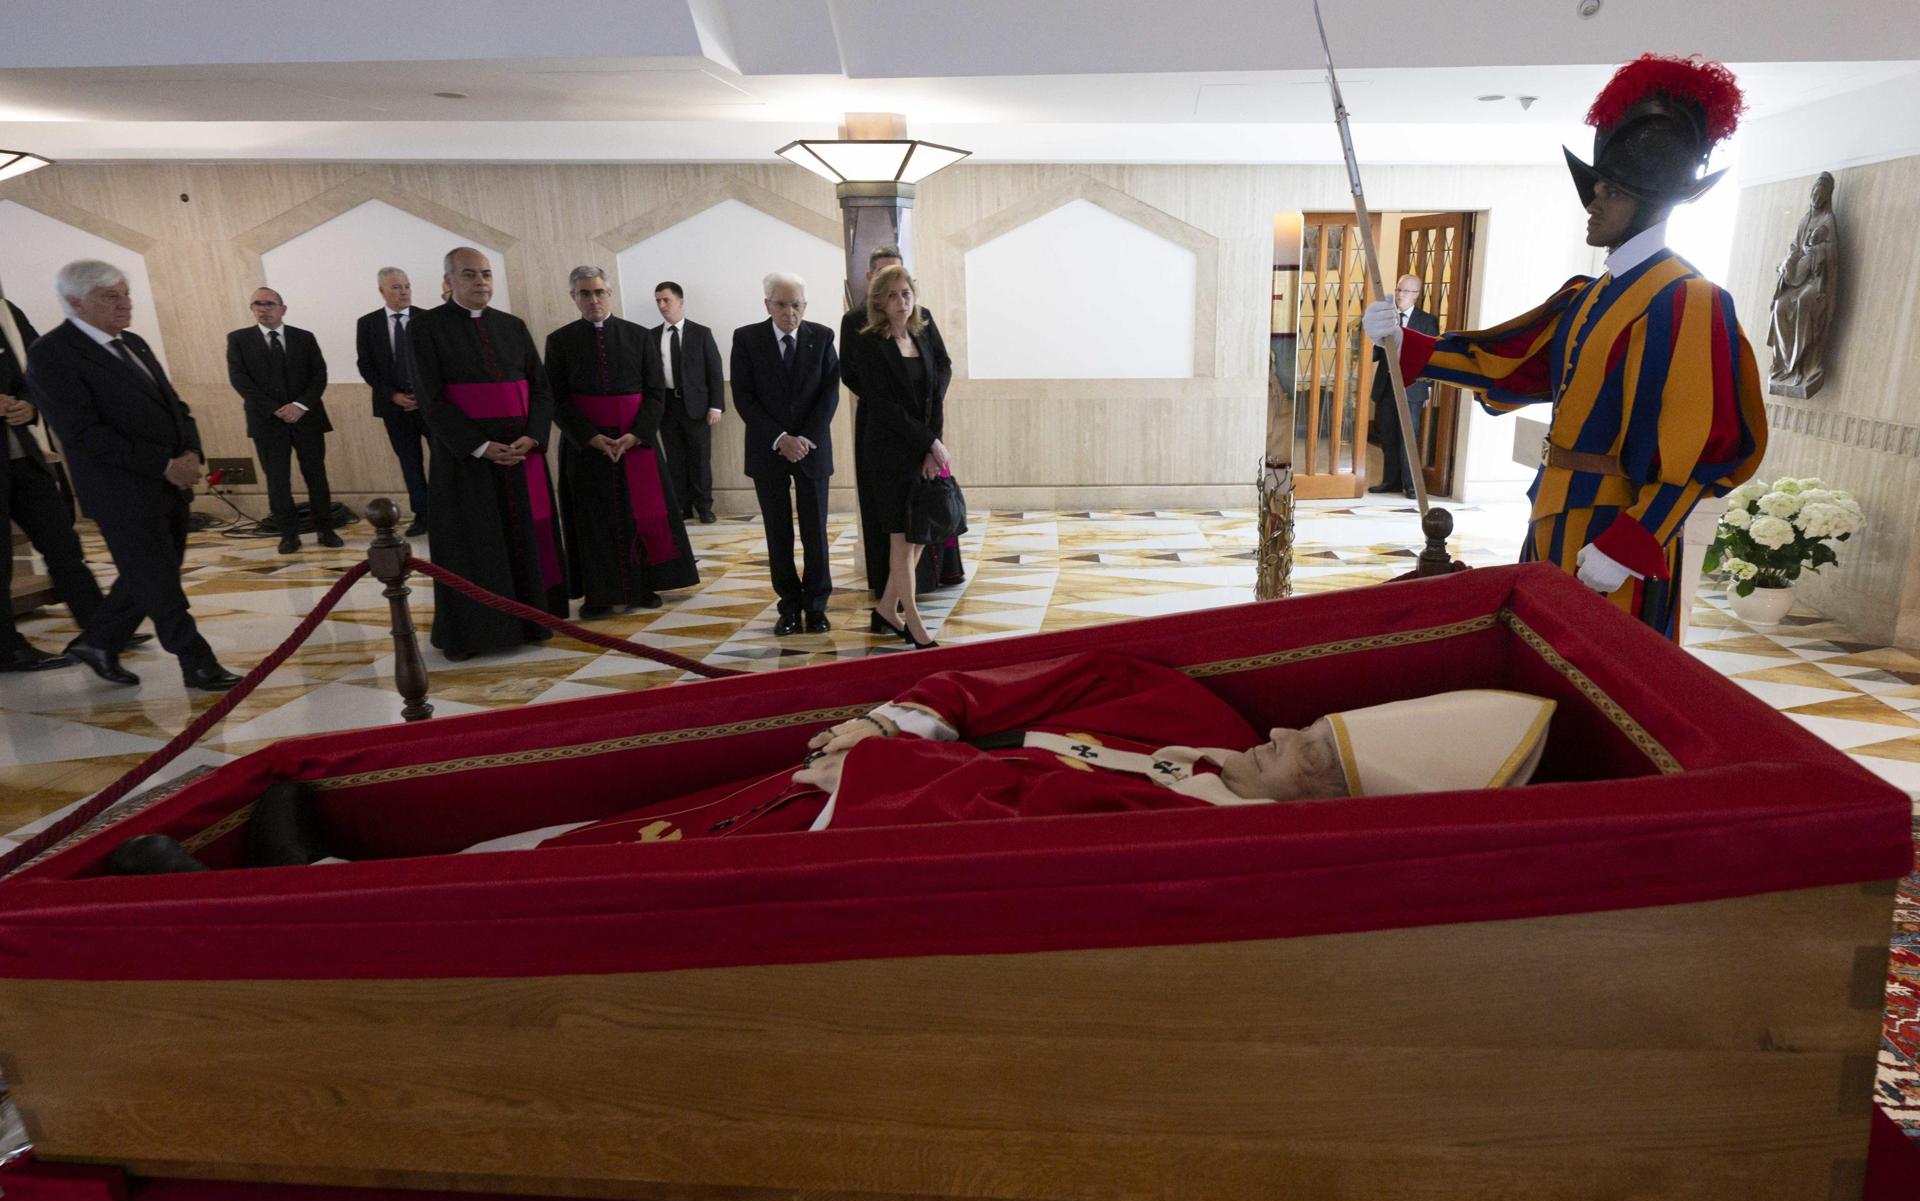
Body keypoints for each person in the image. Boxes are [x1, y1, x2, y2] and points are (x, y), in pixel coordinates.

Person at [123, 650, 1553, 873]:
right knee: (585, 836)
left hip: (826, 861)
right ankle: (323, 865)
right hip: (834, 785)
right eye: (1298, 728)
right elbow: (1033, 683)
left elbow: (1007, 845)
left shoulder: (1197, 845)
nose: (1273, 738)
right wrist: (910, 716)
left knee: (570, 882)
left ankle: (275, 902)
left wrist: (889, 773)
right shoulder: (1190, 714)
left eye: (1304, 756)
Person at [1364, 53, 1766, 639]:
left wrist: (1635, 539)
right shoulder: (1592, 293)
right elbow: (1514, 365)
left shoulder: (1688, 299)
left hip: (1614, 530)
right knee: (1545, 652)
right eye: (1597, 187)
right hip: (1553, 509)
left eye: (1611, 191)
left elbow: (1700, 447)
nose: (1593, 202)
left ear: (1652, 201)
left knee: (1603, 664)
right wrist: (1406, 341)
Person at [26, 260, 241, 690]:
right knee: (157, 579)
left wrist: (191, 453)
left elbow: (174, 406)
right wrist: (164, 464)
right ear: (75, 302)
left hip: (168, 482)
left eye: (125, 294)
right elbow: (82, 432)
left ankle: (98, 642)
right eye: (111, 296)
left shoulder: (133, 343)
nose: (125, 304)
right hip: (119, 489)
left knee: (152, 572)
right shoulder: (52, 353)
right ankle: (196, 661)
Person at [409, 246, 564, 660]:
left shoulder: (512, 326)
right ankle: (471, 635)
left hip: (520, 455)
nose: (481, 281)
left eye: (486, 274)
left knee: (523, 539)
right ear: (448, 281)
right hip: (467, 461)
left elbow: (541, 389)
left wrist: (533, 436)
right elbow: (431, 399)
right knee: (473, 544)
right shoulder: (426, 328)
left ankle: (531, 623)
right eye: (470, 274)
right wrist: (480, 446)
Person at [544, 266, 697, 618]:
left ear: (609, 293)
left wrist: (637, 434)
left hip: (635, 442)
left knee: (642, 515)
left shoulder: (638, 336)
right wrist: (589, 437)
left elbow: (655, 392)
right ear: (574, 297)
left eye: (599, 292)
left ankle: (645, 586)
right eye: (585, 293)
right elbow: (556, 398)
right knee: (592, 520)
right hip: (587, 447)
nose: (593, 299)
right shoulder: (560, 340)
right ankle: (599, 594)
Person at [0, 277, 115, 673]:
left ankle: (101, 627)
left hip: (22, 454)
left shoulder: (7, 312)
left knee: (63, 544)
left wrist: (29, 405)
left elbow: (35, 370)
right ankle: (6, 648)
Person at [839, 244, 960, 595]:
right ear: (871, 280)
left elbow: (941, 366)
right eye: (887, 284)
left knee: (928, 510)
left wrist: (928, 420)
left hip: (924, 423)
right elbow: (851, 374)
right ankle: (892, 600)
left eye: (904, 290)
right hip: (885, 429)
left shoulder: (921, 319)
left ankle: (908, 595)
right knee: (894, 522)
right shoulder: (858, 324)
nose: (900, 298)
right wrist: (891, 399)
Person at [730, 272, 839, 636]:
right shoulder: (746, 339)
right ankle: (789, 606)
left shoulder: (822, 337)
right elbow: (744, 396)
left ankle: (817, 606)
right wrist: (780, 438)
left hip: (812, 449)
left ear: (805, 306)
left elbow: (829, 394)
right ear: (767, 305)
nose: (789, 313)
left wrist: (804, 438)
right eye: (781, 304)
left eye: (796, 305)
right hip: (768, 449)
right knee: (778, 532)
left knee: (815, 532)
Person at [225, 287, 340, 554]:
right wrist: (276, 409)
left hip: (306, 418)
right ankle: (288, 534)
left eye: (269, 304)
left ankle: (325, 529)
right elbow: (240, 379)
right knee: (277, 481)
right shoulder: (239, 339)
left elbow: (319, 374)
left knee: (316, 476)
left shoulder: (304, 337)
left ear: (282, 308)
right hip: (267, 421)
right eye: (257, 304)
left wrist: (299, 406)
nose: (263, 309)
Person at [354, 267, 430, 536]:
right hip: (394, 407)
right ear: (382, 291)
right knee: (410, 462)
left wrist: (422, 395)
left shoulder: (426, 319)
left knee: (443, 461)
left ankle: (446, 511)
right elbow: (366, 365)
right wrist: (393, 395)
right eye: (397, 287)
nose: (404, 292)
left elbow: (437, 362)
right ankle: (423, 515)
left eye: (407, 286)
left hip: (429, 406)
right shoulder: (368, 323)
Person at [651, 282, 724, 525]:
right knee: (675, 460)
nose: (662, 305)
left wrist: (716, 406)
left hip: (697, 407)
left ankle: (704, 506)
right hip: (666, 406)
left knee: (700, 459)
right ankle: (681, 507)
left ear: (680, 302)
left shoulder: (701, 333)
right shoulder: (651, 336)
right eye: (658, 300)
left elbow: (714, 371)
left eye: (666, 300)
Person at [1766, 171, 1838, 399]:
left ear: (1827, 196)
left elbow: (1832, 256)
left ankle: (1805, 364)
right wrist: (1787, 263)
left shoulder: (1828, 221)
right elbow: (1793, 247)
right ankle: (1783, 366)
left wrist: (1815, 251)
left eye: (1821, 194)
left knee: (1805, 301)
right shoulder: (1804, 220)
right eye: (1814, 193)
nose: (1817, 197)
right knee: (1780, 306)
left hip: (1816, 281)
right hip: (1797, 276)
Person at [1367, 274, 1439, 498]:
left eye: (1405, 291)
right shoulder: (1386, 318)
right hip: (1387, 385)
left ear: (1416, 295)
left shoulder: (1427, 321)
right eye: (1398, 289)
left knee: (1408, 436)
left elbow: (1431, 356)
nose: (1399, 295)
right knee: (1387, 435)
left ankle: (1411, 485)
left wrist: (1428, 387)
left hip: (1412, 387)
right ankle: (1390, 481)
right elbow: (1375, 354)